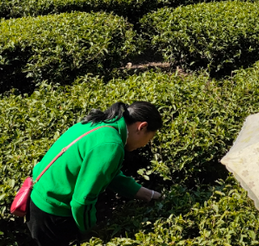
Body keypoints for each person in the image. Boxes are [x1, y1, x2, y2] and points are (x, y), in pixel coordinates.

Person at [26, 101, 162, 246]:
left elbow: (110, 175)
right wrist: (92, 234)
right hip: (52, 215)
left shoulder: (100, 123)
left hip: (37, 201)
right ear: (142, 127)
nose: (145, 144)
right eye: (149, 138)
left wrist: (149, 195)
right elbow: (82, 201)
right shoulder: (111, 144)